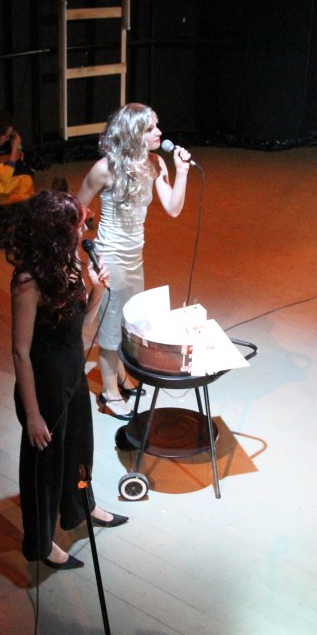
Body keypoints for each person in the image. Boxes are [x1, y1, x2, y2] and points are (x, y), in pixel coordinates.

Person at [7, 190, 128, 570]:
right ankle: (41, 543)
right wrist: (33, 415)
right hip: (44, 384)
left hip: (72, 373)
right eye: (79, 223)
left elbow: (81, 327)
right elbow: (20, 352)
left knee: (79, 449)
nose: (85, 227)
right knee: (43, 470)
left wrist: (97, 291)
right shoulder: (28, 281)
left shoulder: (71, 263)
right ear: (59, 231)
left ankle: (80, 506)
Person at [75, 103, 192, 419]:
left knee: (130, 322)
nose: (159, 132)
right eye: (151, 128)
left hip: (134, 256)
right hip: (110, 257)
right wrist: (77, 255)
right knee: (111, 326)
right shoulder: (105, 168)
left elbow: (173, 208)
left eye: (157, 125)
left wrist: (181, 172)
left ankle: (122, 377)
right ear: (133, 133)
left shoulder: (155, 163)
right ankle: (109, 394)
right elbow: (75, 208)